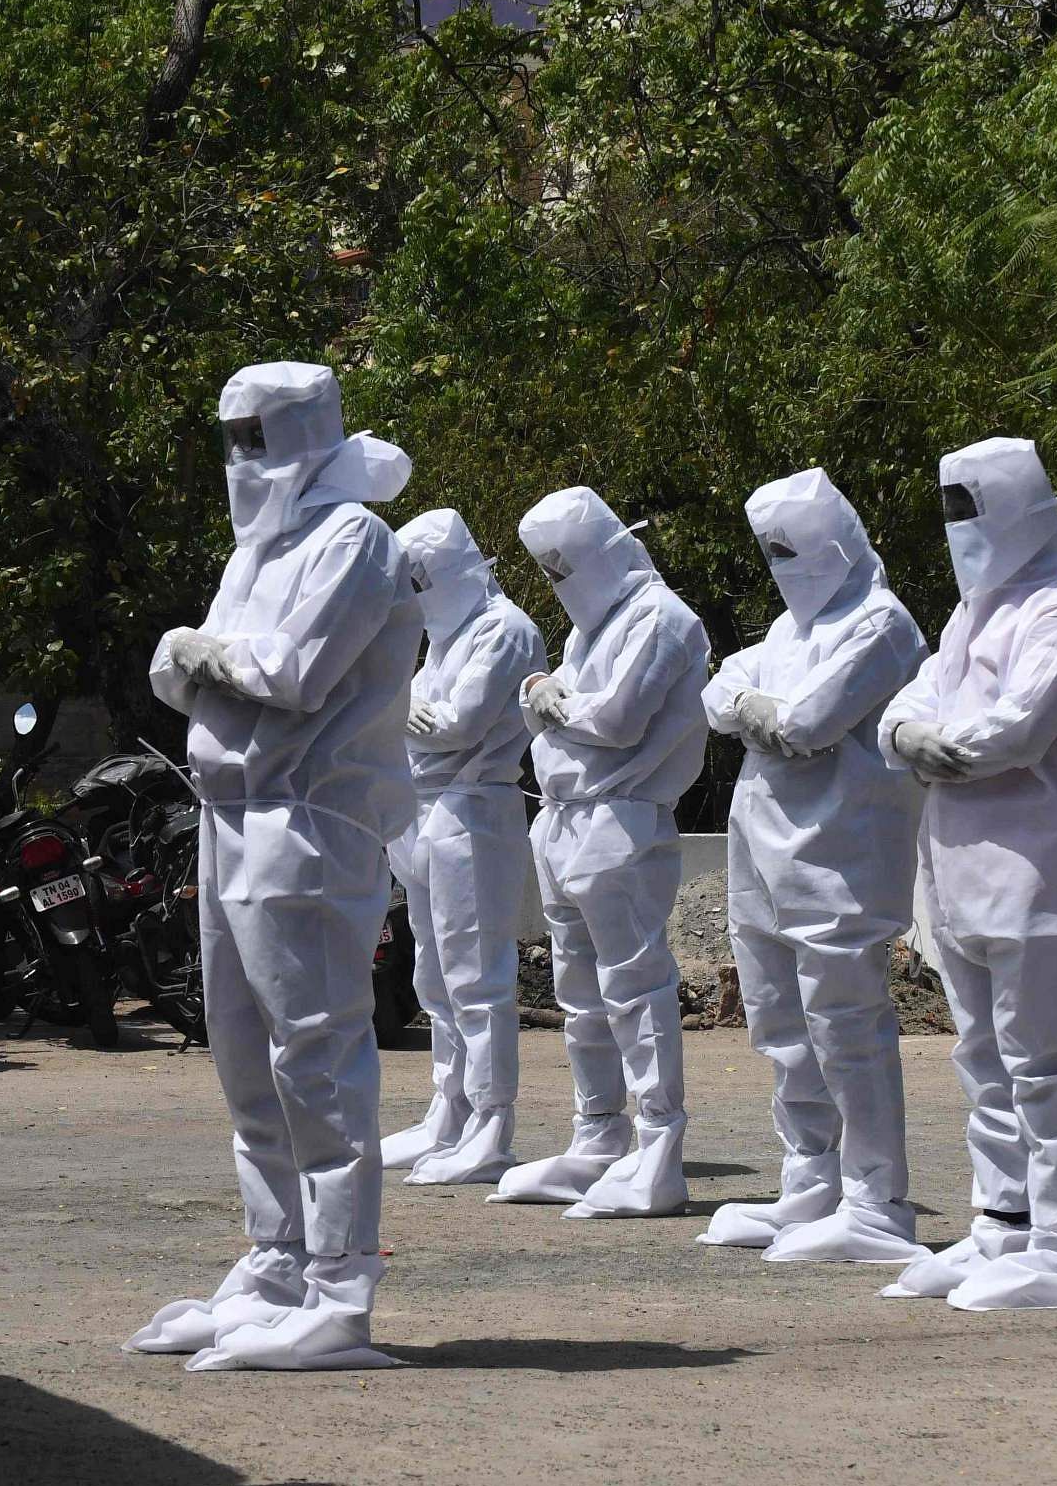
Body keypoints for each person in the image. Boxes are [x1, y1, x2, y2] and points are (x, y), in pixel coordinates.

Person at [125, 362, 421, 1370]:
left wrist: (204, 656)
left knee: (317, 1056)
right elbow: (187, 672)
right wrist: (211, 659)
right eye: (229, 437)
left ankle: (340, 1285)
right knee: (244, 1055)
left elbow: (290, 672)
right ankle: (277, 1257)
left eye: (256, 436)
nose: (239, 460)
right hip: (229, 817)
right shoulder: (260, 547)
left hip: (307, 823)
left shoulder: (354, 539)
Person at [876, 436, 1057, 1309]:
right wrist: (911, 735)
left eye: (973, 513)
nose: (960, 535)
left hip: (1039, 866)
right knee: (984, 1055)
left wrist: (935, 744)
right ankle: (1003, 1218)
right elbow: (915, 703)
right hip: (956, 868)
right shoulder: (967, 618)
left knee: (1045, 1058)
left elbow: (1017, 728)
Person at [697, 471, 930, 1263]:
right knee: (778, 1020)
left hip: (840, 849)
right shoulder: (789, 630)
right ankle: (811, 1178)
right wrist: (761, 710)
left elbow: (810, 718)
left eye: (793, 547)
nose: (783, 564)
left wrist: (765, 711)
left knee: (845, 1025)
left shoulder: (882, 623)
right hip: (761, 840)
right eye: (772, 552)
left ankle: (875, 1198)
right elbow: (722, 689)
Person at [494, 487, 710, 1220]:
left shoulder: (663, 618)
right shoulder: (596, 626)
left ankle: (657, 1147)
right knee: (580, 998)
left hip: (621, 821)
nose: (558, 584)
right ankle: (598, 1133)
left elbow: (616, 719)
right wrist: (540, 691)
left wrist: (553, 705)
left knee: (636, 990)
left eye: (563, 567)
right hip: (563, 822)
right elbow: (559, 710)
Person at [382, 504, 545, 1187]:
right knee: (434, 971)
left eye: (422, 581)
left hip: (473, 807)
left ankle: (491, 1120)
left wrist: (395, 713)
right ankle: (448, 1106)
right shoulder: (446, 637)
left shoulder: (504, 629)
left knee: (478, 977)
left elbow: (461, 720)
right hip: (426, 810)